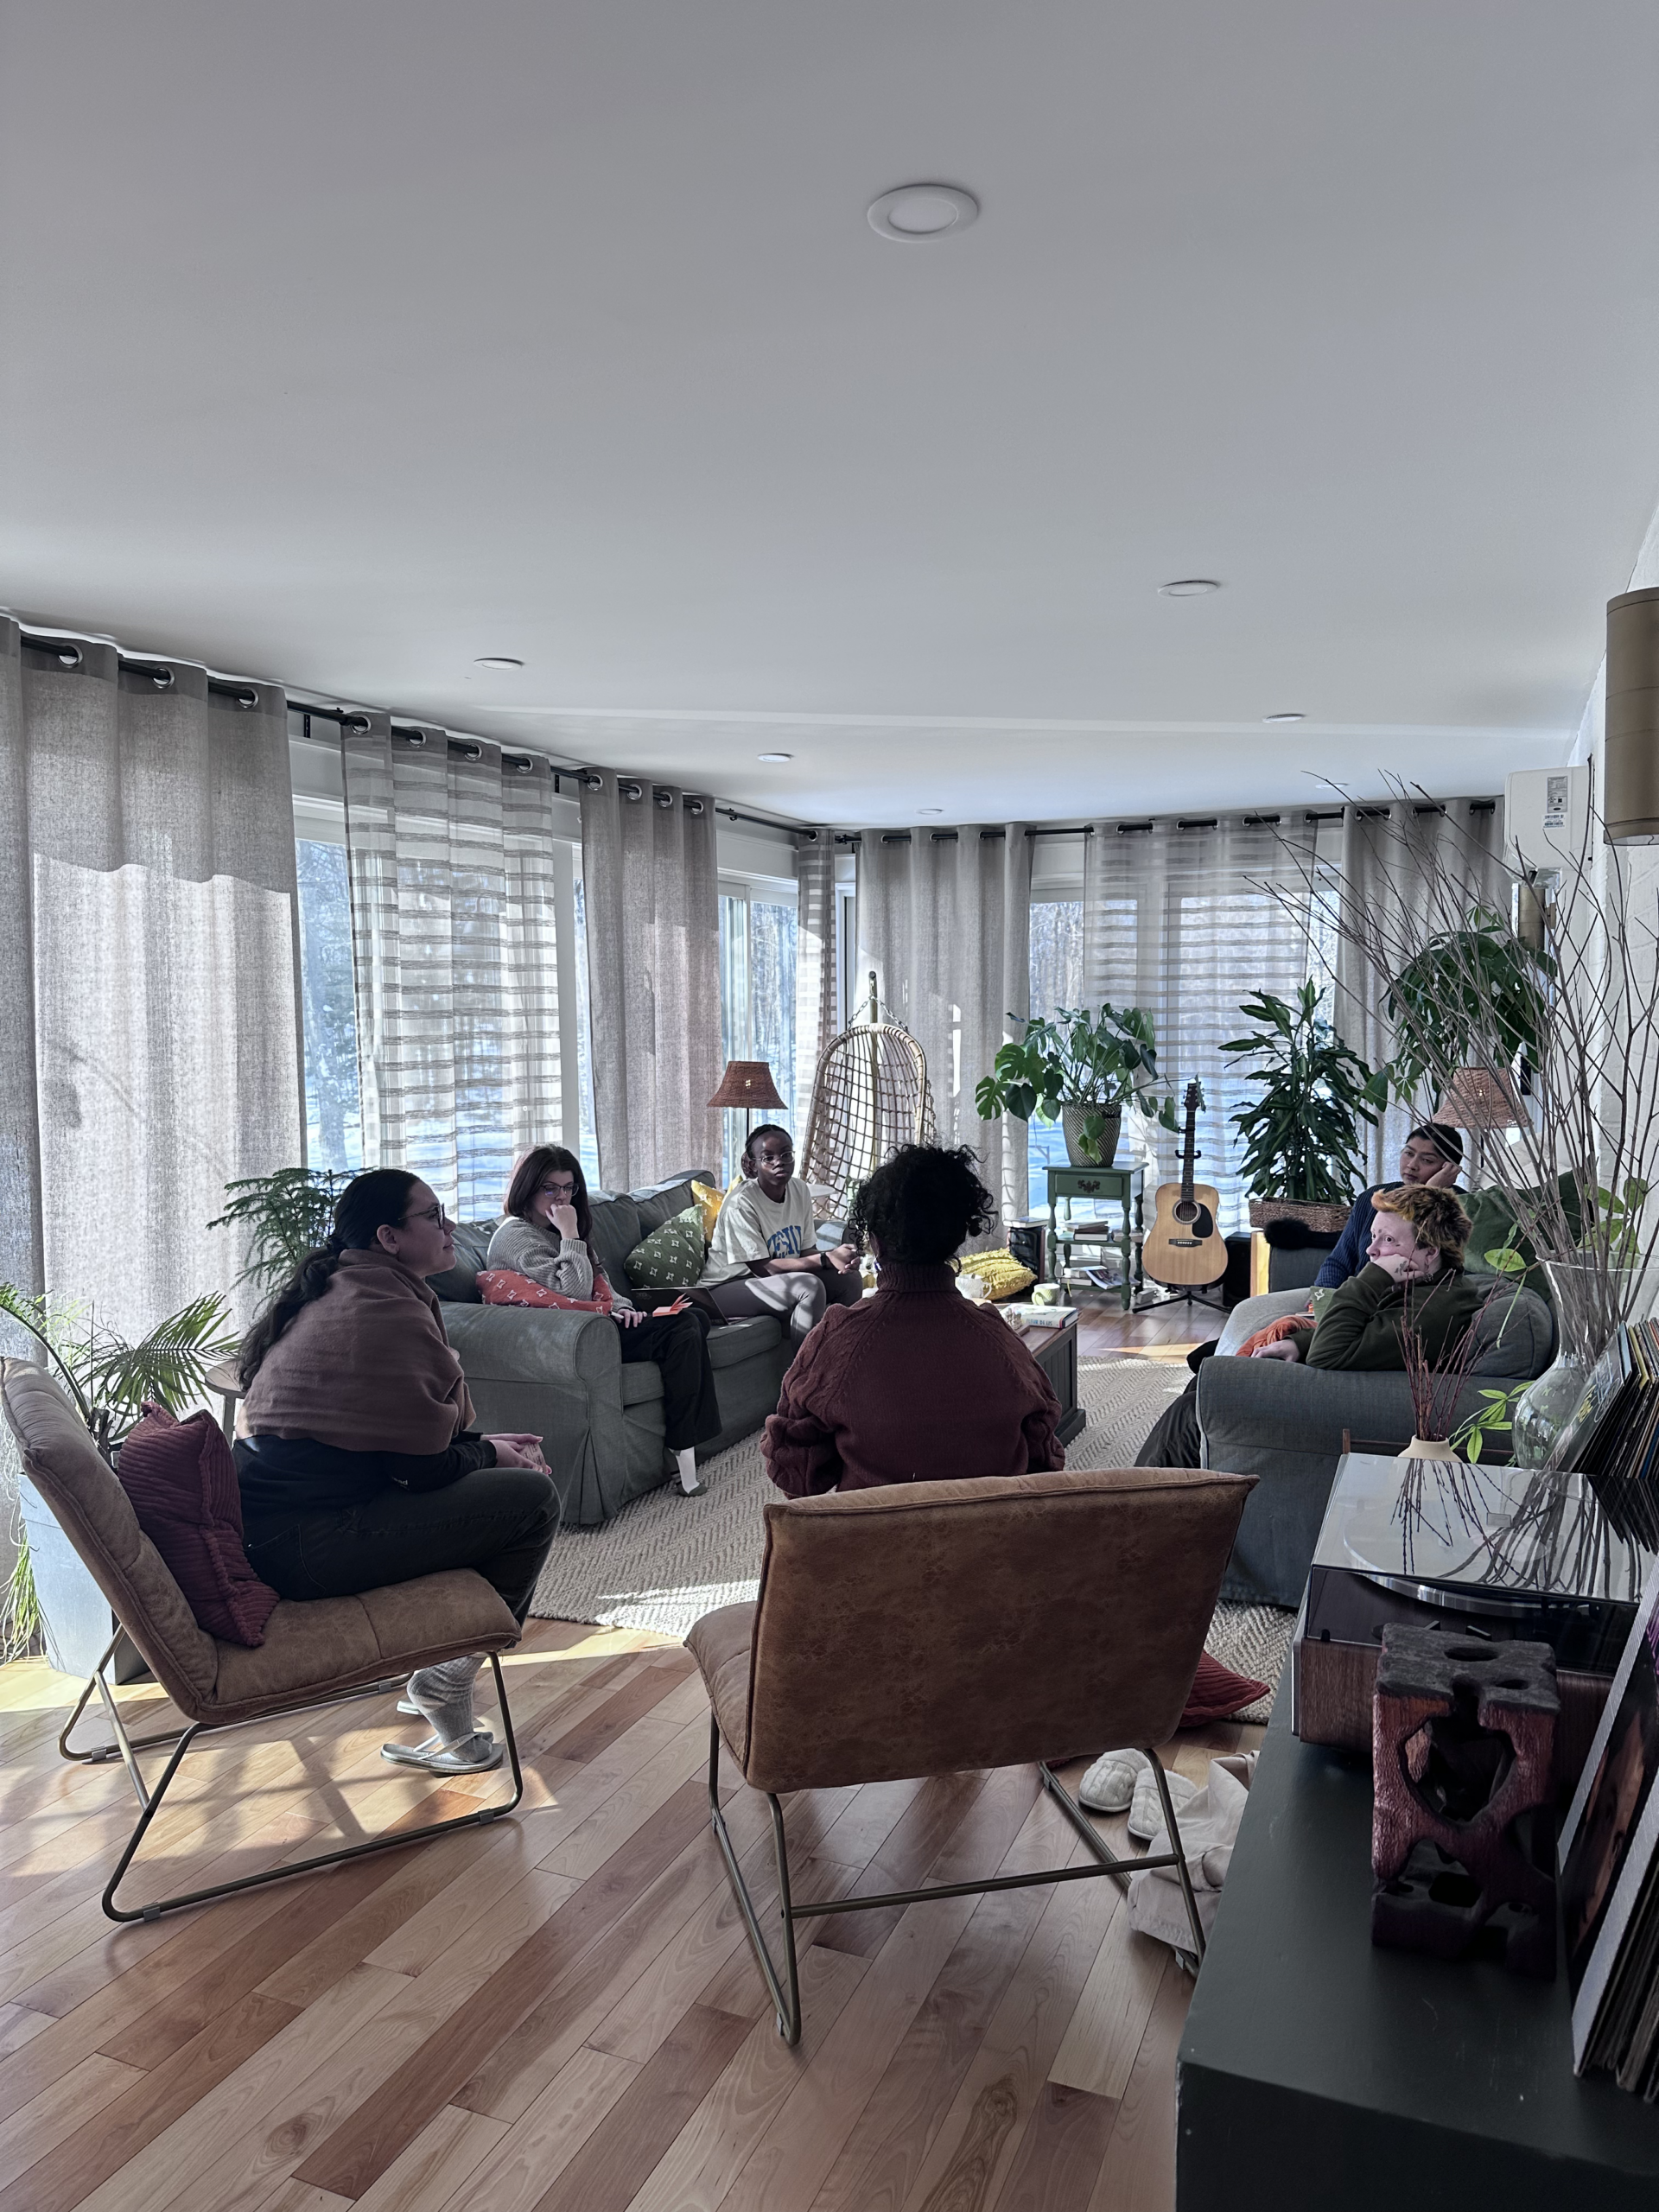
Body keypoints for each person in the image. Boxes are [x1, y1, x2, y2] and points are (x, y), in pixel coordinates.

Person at [234, 1169, 558, 1776]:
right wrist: (491, 1455)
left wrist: (487, 1448)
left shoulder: (346, 1288)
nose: (450, 1227)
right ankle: (447, 1676)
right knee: (531, 1501)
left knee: (504, 1486)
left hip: (283, 1529)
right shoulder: (383, 1313)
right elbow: (421, 1471)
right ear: (388, 1236)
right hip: (305, 1545)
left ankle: (440, 1665)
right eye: (433, 1217)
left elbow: (393, 1445)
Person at [763, 1144, 1063, 1494]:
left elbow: (795, 1470)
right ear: (959, 1236)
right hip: (991, 1542)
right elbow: (1045, 1456)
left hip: (875, 1542)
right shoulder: (998, 1337)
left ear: (874, 1241)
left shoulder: (838, 1338)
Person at [1135, 1183, 1490, 1466]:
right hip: (1337, 1385)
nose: (1371, 1251)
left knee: (1190, 1411)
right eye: (1374, 1235)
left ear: (1431, 1252)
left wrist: (1372, 1279)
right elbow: (1360, 1335)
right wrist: (1299, 1342)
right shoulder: (1423, 1284)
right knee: (1200, 1387)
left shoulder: (1434, 1308)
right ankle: (1167, 1495)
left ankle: (1134, 1510)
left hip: (1340, 1409)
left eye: (1390, 1240)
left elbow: (1332, 1353)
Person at [487, 1146, 722, 1497]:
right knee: (684, 1328)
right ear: (528, 1188)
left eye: (568, 1188)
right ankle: (681, 1449)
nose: (561, 1197)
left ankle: (684, 1441)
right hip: (572, 1339)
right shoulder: (515, 1235)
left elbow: (601, 1282)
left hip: (602, 1322)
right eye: (549, 1188)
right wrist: (569, 1234)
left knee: (695, 1317)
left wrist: (626, 1307)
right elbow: (576, 1292)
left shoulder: (566, 1226)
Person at [698, 1124, 862, 1344]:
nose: (779, 1161)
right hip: (724, 1288)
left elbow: (806, 1251)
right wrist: (825, 1258)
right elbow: (764, 1268)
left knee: (850, 1280)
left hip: (769, 1281)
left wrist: (837, 1258)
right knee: (807, 1287)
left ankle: (837, 1359)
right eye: (768, 1157)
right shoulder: (742, 1202)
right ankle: (804, 1376)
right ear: (753, 1164)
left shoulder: (799, 1190)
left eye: (786, 1154)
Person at [1313, 1122, 1464, 1288]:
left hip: (1411, 1305)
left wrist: (1429, 1192)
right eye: (1408, 1153)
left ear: (1450, 1169)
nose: (1412, 1165)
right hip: (1355, 1297)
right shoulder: (1372, 1199)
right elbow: (1338, 1262)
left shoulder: (1462, 1210)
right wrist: (1322, 1298)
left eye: (1427, 1160)